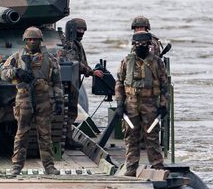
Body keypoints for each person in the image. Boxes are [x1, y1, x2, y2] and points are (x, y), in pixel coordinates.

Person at [0, 26, 64, 176]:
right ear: (25, 41)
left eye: (35, 39)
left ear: (40, 41)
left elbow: (57, 82)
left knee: (45, 135)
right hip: (24, 99)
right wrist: (17, 72)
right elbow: (3, 73)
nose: (32, 42)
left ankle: (49, 166)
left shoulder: (50, 59)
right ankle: (17, 166)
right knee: (21, 134)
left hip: (43, 99)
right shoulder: (17, 57)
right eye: (29, 39)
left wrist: (59, 101)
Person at [115, 31, 169, 176]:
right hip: (131, 104)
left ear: (149, 45)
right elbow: (119, 82)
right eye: (138, 44)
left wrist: (163, 105)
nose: (141, 47)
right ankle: (131, 168)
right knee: (131, 136)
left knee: (151, 136)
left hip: (150, 104)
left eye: (144, 44)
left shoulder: (157, 62)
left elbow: (164, 85)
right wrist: (120, 103)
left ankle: (157, 167)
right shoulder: (127, 61)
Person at [61, 18, 104, 126]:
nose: (82, 32)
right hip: (69, 84)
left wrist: (90, 70)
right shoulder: (70, 44)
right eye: (79, 29)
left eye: (83, 29)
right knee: (70, 113)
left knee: (71, 113)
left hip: (74, 83)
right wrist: (91, 72)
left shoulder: (76, 43)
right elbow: (74, 62)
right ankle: (67, 139)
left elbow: (81, 62)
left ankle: (68, 138)